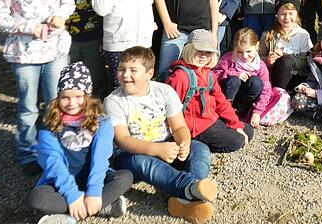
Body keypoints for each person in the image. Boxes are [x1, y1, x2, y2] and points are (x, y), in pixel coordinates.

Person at [0, 0, 75, 174]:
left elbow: (67, 2)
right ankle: (28, 151)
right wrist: (30, 27)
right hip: (24, 54)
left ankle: (57, 147)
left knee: (56, 102)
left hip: (55, 50)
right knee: (28, 106)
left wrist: (60, 16)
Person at [104, 46, 217, 224]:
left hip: (166, 145)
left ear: (149, 73)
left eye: (133, 70)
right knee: (143, 162)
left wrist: (184, 142)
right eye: (121, 69)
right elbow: (123, 140)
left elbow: (179, 126)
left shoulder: (164, 91)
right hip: (131, 155)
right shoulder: (113, 101)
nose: (125, 75)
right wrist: (156, 149)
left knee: (199, 147)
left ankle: (185, 201)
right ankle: (190, 187)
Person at [28, 62, 132, 222]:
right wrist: (72, 195)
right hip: (58, 183)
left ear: (87, 96)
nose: (72, 103)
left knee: (125, 177)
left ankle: (71, 211)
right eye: (65, 97)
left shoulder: (101, 121)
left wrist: (94, 191)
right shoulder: (47, 122)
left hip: (92, 179)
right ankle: (98, 207)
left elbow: (100, 159)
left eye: (78, 96)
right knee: (37, 198)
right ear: (58, 96)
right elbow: (52, 161)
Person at [164, 29, 253, 152]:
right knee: (238, 141)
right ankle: (196, 143)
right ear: (189, 49)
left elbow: (221, 102)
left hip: (211, 119)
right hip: (194, 127)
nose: (203, 56)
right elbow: (170, 108)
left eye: (208, 52)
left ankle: (213, 137)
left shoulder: (209, 74)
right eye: (199, 51)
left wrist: (235, 124)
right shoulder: (180, 76)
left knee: (247, 130)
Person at [213, 28, 272, 128]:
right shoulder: (228, 59)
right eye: (239, 52)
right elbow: (214, 75)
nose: (244, 56)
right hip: (227, 96)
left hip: (244, 101)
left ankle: (239, 113)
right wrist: (233, 73)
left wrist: (257, 112)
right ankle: (225, 112)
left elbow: (266, 90)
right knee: (233, 81)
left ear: (257, 46)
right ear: (234, 48)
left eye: (248, 51)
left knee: (256, 82)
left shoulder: (260, 66)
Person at [259, 0, 313, 90]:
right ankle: (277, 94)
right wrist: (267, 60)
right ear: (277, 14)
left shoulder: (303, 35)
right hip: (274, 77)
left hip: (296, 78)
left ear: (297, 14)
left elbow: (305, 61)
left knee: (285, 61)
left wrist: (285, 59)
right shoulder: (268, 34)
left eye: (291, 14)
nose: (287, 17)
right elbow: (258, 57)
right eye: (283, 14)